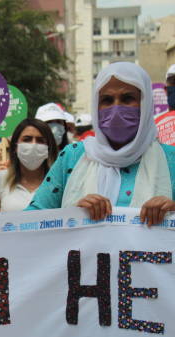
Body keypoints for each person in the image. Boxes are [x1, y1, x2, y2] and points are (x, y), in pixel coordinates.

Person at [27, 62, 175, 226]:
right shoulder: (73, 156)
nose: (116, 109)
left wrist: (172, 212)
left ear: (145, 104)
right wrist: (72, 215)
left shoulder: (171, 160)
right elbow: (30, 219)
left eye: (127, 98)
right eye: (107, 100)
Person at [0, 119, 57, 213]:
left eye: (40, 140)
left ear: (49, 147)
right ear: (15, 146)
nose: (33, 145)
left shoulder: (60, 181)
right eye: (27, 139)